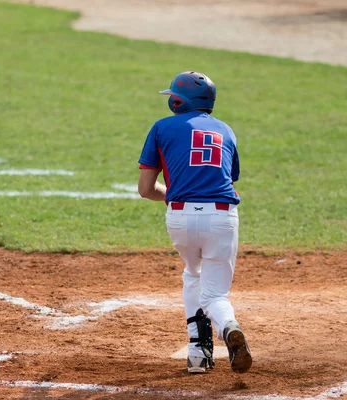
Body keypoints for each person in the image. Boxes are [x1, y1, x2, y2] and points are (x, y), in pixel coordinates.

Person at [137, 71, 252, 374]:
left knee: (193, 272)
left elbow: (146, 189)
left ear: (177, 101)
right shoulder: (226, 130)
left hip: (180, 217)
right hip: (221, 217)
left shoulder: (161, 128)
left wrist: (173, 194)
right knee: (215, 294)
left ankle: (198, 355)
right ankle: (228, 327)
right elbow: (226, 176)